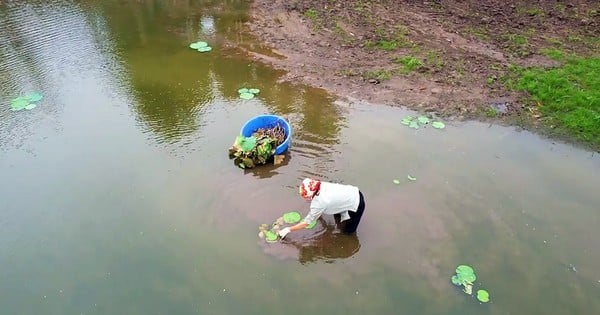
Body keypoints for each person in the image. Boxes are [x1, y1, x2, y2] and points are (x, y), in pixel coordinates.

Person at [278, 178, 366, 239]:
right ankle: (341, 221)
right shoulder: (321, 185)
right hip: (353, 192)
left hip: (357, 204)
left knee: (348, 232)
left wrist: (288, 229)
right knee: (338, 218)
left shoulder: (319, 203)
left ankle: (348, 240)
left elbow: (307, 223)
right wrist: (318, 215)